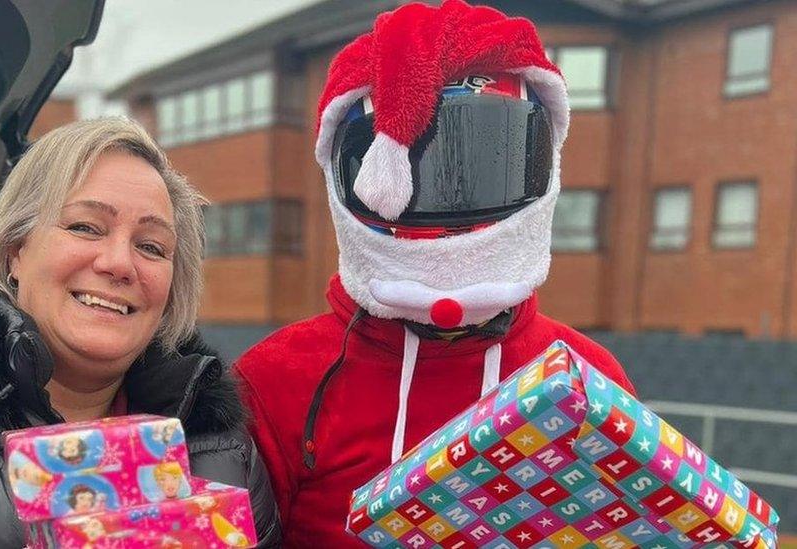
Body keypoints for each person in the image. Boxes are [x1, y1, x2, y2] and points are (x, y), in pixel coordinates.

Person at [233, 2, 638, 546]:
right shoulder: (277, 378)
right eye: (415, 171)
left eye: (483, 165)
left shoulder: (586, 379)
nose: (447, 201)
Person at [0, 118, 281, 548]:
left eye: (151, 246)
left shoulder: (222, 448)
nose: (119, 263)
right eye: (85, 227)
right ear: (15, 250)